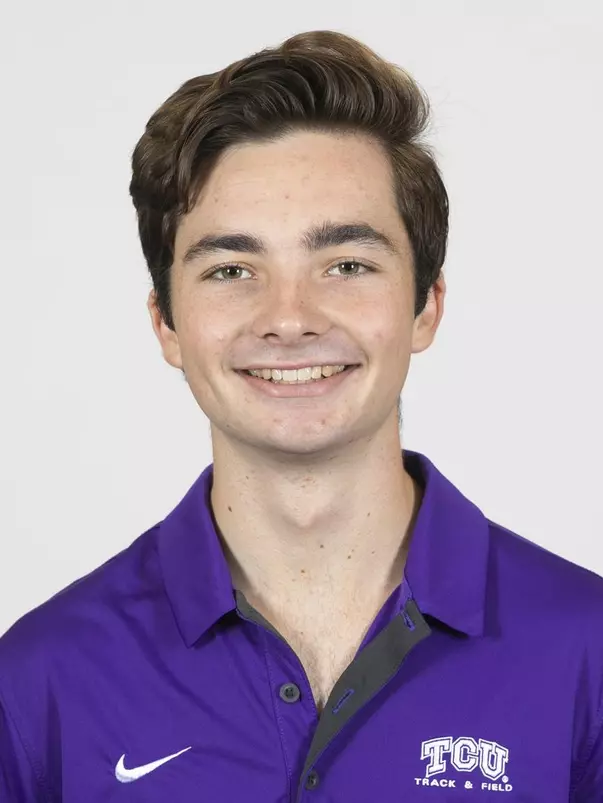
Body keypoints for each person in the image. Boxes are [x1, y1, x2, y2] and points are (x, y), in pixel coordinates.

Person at [1, 29, 602, 803]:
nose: (288, 318)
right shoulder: (39, 681)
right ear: (166, 325)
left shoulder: (586, 653)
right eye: (231, 269)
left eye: (346, 264)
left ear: (425, 306)